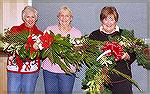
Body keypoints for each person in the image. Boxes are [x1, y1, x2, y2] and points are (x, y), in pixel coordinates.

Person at [89, 6, 136, 94]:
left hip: (123, 81)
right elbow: (89, 56)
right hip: (101, 80)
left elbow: (133, 54)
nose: (109, 22)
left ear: (116, 20)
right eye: (106, 19)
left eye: (112, 19)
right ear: (101, 20)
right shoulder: (94, 35)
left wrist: (127, 56)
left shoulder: (124, 34)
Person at [42, 6, 82, 94]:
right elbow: (42, 47)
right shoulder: (49, 30)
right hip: (49, 71)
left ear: (71, 18)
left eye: (67, 16)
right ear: (58, 17)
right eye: (61, 15)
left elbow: (79, 53)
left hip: (67, 72)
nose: (64, 18)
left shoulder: (77, 33)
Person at [7, 6, 43, 94]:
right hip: (14, 70)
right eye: (28, 17)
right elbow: (8, 48)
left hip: (31, 71)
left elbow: (42, 54)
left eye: (33, 17)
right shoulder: (15, 30)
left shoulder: (40, 34)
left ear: (36, 18)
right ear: (23, 18)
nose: (30, 19)